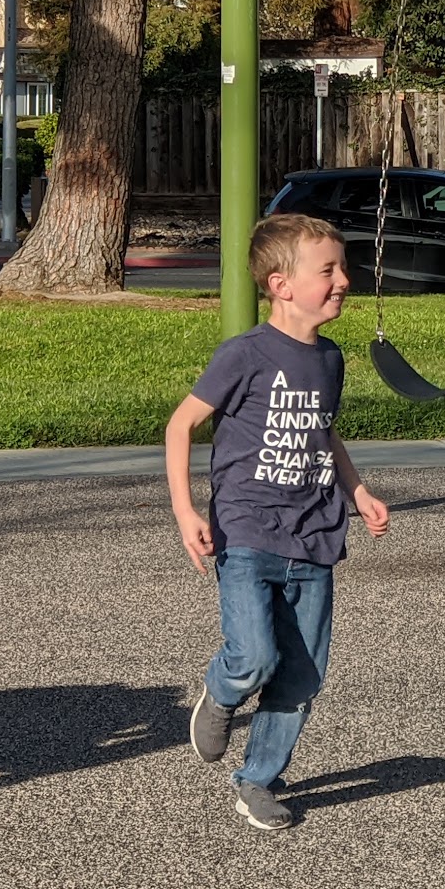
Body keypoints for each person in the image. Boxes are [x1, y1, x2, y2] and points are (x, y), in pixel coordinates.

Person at [163, 212, 391, 831]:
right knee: (255, 658)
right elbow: (181, 425)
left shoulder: (331, 359)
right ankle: (222, 689)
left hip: (315, 536)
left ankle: (258, 780)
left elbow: (324, 433)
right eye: (328, 270)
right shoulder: (245, 355)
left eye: (342, 267)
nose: (343, 279)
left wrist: (358, 491)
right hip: (247, 531)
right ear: (280, 284)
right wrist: (187, 513)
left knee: (302, 675)